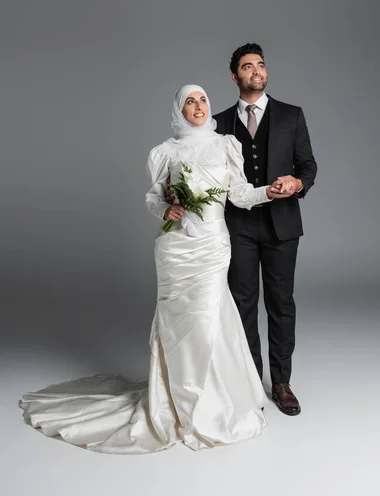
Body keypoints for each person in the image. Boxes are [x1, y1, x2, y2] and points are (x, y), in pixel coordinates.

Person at [19, 85, 273, 454]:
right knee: (177, 324)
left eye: (202, 99)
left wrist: (272, 191)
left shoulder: (226, 146)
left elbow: (240, 195)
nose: (198, 106)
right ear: (179, 109)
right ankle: (177, 402)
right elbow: (153, 196)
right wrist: (164, 210)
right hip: (174, 248)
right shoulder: (164, 152)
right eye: (190, 101)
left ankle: (212, 403)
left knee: (208, 320)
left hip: (212, 245)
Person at [213, 43, 317, 416]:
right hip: (237, 225)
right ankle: (248, 381)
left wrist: (297, 184)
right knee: (243, 305)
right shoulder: (220, 123)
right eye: (247, 66)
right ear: (235, 77)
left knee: (281, 303)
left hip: (282, 225)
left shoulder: (292, 115)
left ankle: (282, 383)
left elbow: (308, 166)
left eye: (260, 64)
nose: (256, 70)